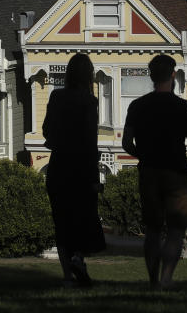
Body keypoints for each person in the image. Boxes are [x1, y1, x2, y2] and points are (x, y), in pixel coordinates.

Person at [122, 54, 187, 289]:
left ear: (151, 76)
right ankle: (167, 278)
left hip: (148, 172)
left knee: (153, 229)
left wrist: (143, 155)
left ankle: (152, 280)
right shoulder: (181, 106)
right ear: (173, 75)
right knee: (176, 230)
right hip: (176, 172)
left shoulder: (137, 106)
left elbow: (127, 142)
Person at [42, 52, 106, 286]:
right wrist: (94, 176)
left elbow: (47, 130)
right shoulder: (89, 102)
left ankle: (68, 275)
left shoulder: (56, 97)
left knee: (62, 222)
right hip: (81, 167)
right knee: (82, 218)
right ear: (88, 76)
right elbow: (91, 140)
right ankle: (78, 259)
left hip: (59, 166)